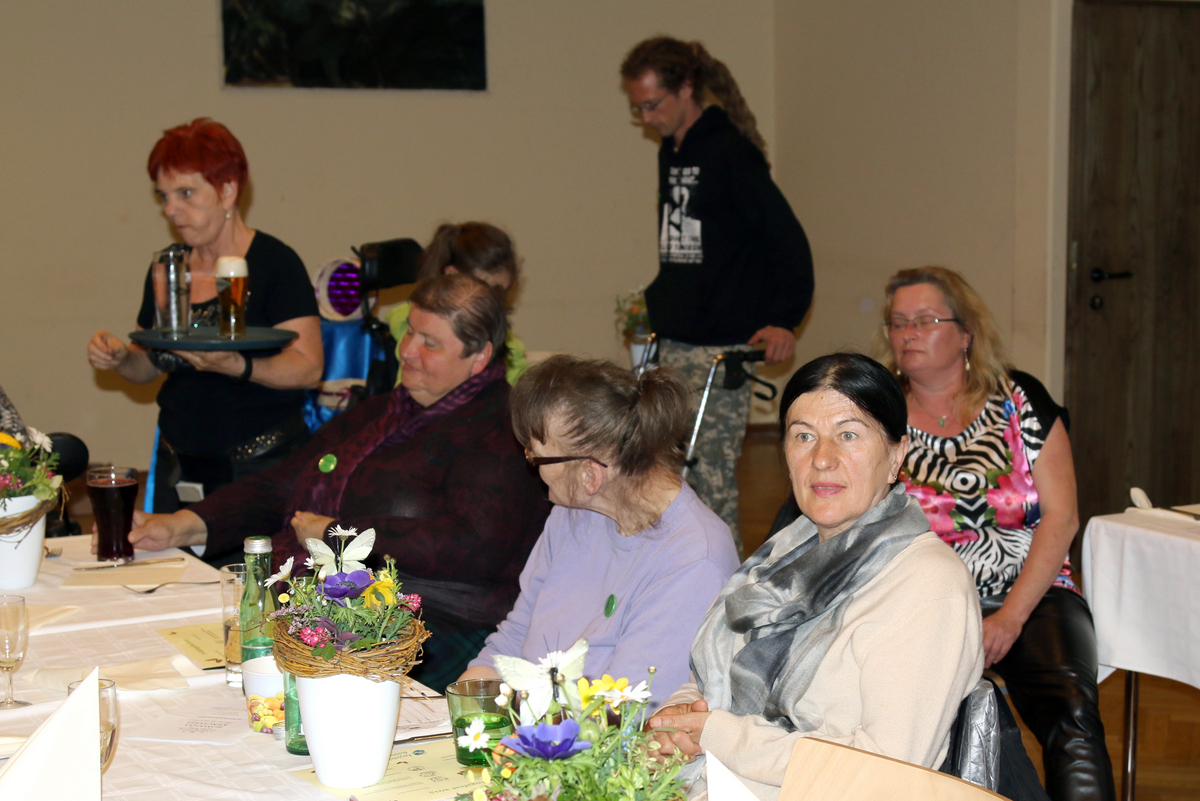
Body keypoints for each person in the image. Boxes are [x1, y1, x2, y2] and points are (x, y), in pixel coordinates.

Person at [121, 274, 552, 690]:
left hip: (432, 625)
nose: (407, 351)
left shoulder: (501, 432)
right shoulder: (382, 412)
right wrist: (184, 524)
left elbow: (470, 546)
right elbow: (280, 485)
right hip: (325, 605)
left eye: (430, 343)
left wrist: (337, 536)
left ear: (480, 356)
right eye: (410, 332)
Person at [649, 353, 982, 800]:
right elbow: (712, 676)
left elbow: (889, 772)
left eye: (849, 435)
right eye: (804, 436)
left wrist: (719, 734)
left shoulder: (928, 585)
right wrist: (676, 720)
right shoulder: (785, 555)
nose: (822, 458)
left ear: (896, 455)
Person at [881, 266, 1114, 801]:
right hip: (923, 600)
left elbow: (1062, 516)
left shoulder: (1019, 399)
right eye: (897, 322)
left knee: (1072, 713)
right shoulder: (878, 412)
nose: (908, 333)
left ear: (966, 333)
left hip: (1033, 594)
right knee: (914, 720)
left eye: (924, 320)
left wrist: (1010, 616)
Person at [620, 37, 814, 556]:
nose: (646, 118)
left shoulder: (731, 153)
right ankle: (671, 572)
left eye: (653, 104)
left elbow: (788, 242)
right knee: (664, 468)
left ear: (686, 88)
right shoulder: (671, 151)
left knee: (708, 476)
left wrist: (784, 317)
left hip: (721, 347)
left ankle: (724, 582)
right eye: (638, 108)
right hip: (677, 336)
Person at [457, 356, 740, 706]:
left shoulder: (693, 562)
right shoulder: (573, 513)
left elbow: (624, 715)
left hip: (587, 736)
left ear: (590, 475)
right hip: (530, 721)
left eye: (536, 457)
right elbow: (514, 640)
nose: (529, 462)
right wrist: (463, 704)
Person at [87, 118, 323, 514]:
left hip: (260, 469)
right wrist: (120, 357)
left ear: (228, 191)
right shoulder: (168, 268)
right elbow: (147, 364)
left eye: (186, 193)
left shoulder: (275, 263)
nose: (170, 210)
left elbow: (308, 368)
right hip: (177, 465)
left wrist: (238, 366)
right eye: (163, 196)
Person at [385, 222, 528, 387]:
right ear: (452, 276)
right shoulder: (417, 330)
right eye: (487, 292)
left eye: (502, 294)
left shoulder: (505, 337)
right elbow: (412, 391)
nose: (495, 304)